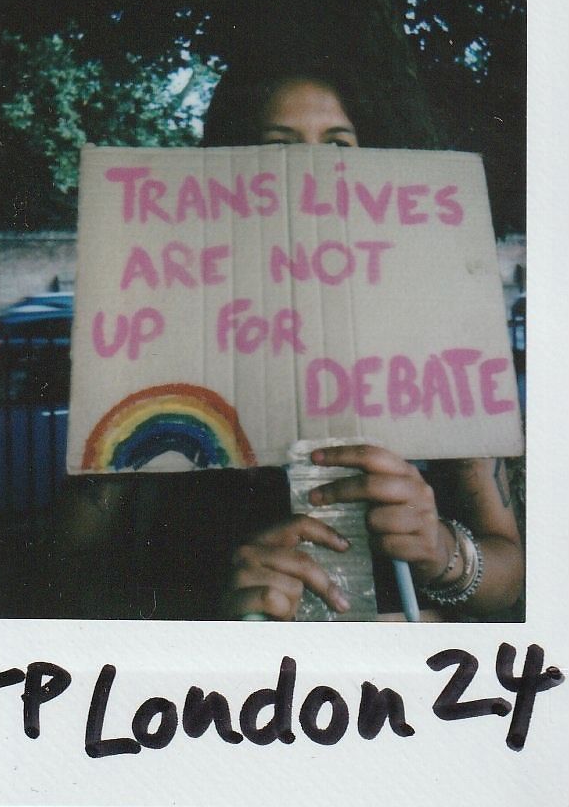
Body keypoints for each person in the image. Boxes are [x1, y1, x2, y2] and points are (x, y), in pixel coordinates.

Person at [200, 60, 524, 622]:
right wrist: (209, 610)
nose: (310, 170)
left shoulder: (440, 324)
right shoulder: (176, 332)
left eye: (338, 145)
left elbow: (511, 574)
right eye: (278, 145)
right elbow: (70, 573)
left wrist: (440, 550)